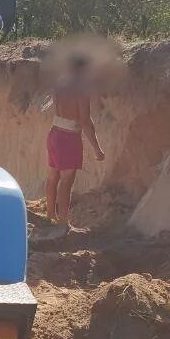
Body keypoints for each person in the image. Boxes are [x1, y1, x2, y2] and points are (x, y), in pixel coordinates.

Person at [45, 53, 105, 228]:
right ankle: (63, 221)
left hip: (54, 133)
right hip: (69, 138)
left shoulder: (59, 85)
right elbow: (85, 121)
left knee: (52, 176)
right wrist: (97, 149)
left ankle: (50, 214)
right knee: (66, 181)